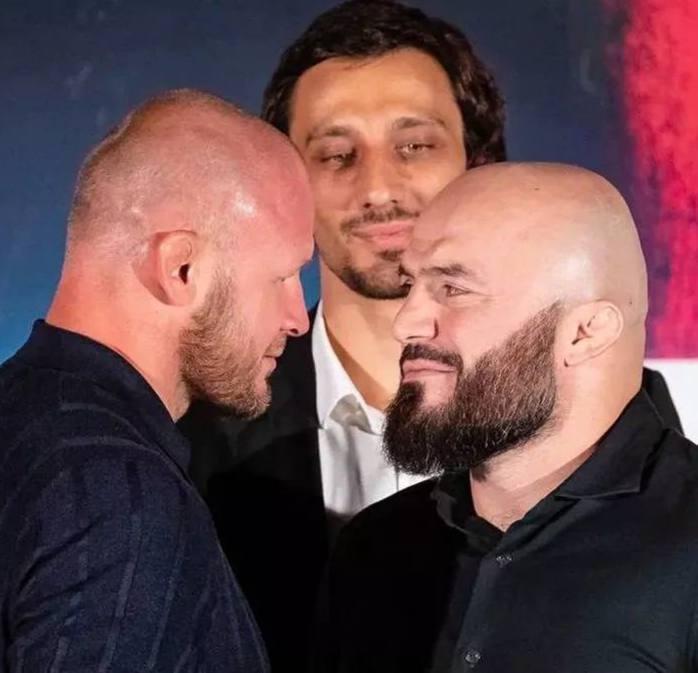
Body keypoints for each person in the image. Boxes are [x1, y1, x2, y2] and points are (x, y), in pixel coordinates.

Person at [180, 1, 682, 669]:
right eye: (335, 154)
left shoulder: (643, 452)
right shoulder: (195, 440)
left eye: (414, 146)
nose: (377, 187)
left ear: (480, 159)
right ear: (287, 186)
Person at [318, 162, 698, 673]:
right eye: (410, 284)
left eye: (453, 288)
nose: (406, 322)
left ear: (585, 332)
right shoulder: (375, 548)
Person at [0, 89, 314, 672]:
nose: (298, 318)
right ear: (180, 269)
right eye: (283, 277)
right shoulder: (119, 494)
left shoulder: (25, 423)